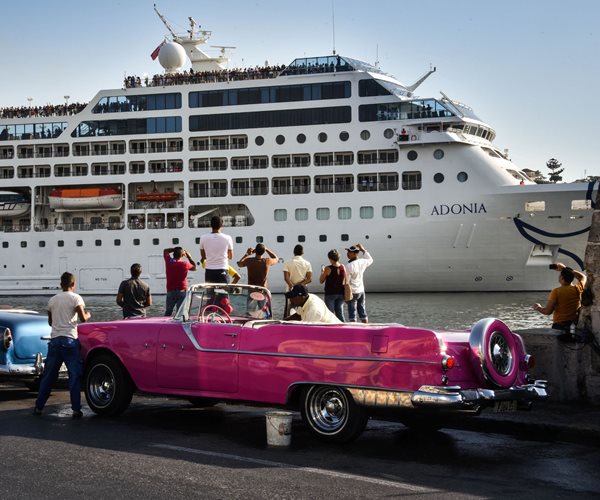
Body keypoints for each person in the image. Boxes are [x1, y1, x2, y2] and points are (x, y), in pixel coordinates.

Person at [33, 272, 91, 418]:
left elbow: (50, 322)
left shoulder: (52, 300)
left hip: (54, 342)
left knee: (48, 376)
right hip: (70, 341)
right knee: (74, 375)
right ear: (73, 284)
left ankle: (39, 407)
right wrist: (89, 314)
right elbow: (83, 318)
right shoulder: (76, 298)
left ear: (61, 284)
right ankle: (76, 409)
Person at [533, 263, 587, 331]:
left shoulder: (556, 292)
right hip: (573, 325)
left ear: (562, 278)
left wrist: (538, 307)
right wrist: (565, 268)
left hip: (559, 326)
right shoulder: (578, 288)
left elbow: (547, 312)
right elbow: (582, 277)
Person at [199, 215, 233, 283]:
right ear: (222, 225)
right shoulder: (228, 238)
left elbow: (203, 257)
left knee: (210, 293)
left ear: (210, 225)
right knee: (224, 292)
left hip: (209, 271)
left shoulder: (203, 238)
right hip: (223, 269)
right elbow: (230, 256)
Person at [163, 247, 197, 316]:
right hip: (182, 292)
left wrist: (176, 249)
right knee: (180, 313)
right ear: (182, 255)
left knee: (168, 312)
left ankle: (165, 326)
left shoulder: (168, 261)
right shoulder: (185, 264)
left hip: (170, 291)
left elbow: (165, 250)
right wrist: (189, 257)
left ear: (173, 254)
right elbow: (194, 268)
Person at [345, 243, 374, 323]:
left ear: (355, 253)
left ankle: (354, 331)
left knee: (352, 313)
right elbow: (370, 259)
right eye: (347, 251)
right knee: (362, 311)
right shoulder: (363, 261)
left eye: (349, 252)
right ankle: (366, 327)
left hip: (353, 291)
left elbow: (346, 281)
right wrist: (363, 250)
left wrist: (345, 294)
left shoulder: (349, 265)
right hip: (361, 290)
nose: (347, 253)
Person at [282, 244, 312, 316]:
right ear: (302, 253)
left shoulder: (287, 263)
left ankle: (287, 324)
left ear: (294, 252)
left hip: (290, 290)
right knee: (303, 310)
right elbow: (309, 279)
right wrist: (300, 286)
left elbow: (286, 278)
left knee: (288, 310)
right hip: (303, 292)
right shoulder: (307, 263)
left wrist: (293, 287)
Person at [319, 249, 346, 322]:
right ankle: (343, 328)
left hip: (330, 294)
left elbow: (321, 281)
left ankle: (331, 329)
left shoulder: (328, 268)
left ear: (330, 258)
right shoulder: (343, 267)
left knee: (330, 314)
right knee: (340, 313)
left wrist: (322, 271)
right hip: (341, 293)